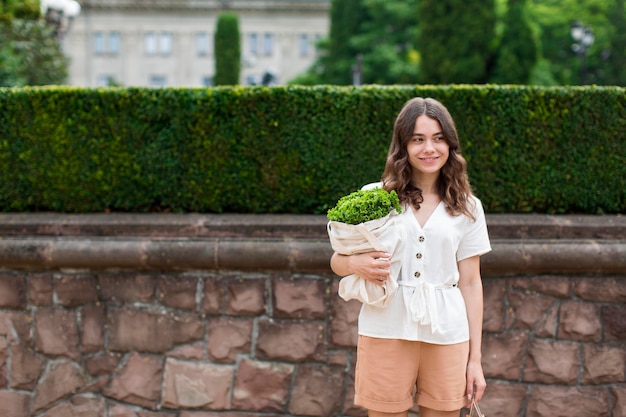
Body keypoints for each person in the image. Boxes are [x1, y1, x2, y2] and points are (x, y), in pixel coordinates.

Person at [330, 97, 491, 417]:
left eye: (438, 138)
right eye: (418, 139)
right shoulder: (375, 197)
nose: (429, 148)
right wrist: (354, 264)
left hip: (447, 333)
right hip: (385, 328)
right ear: (403, 145)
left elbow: (471, 283)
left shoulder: (468, 206)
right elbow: (337, 260)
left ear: (450, 144)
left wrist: (475, 360)